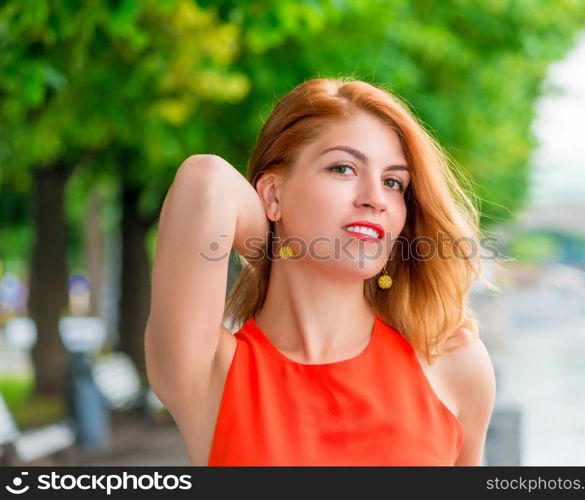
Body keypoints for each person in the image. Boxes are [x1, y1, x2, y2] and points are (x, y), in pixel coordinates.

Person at [145, 77, 498, 466]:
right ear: (272, 195)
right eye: (344, 168)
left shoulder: (452, 363)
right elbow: (206, 180)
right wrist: (278, 250)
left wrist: (293, 246)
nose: (376, 199)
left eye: (394, 182)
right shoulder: (211, 373)